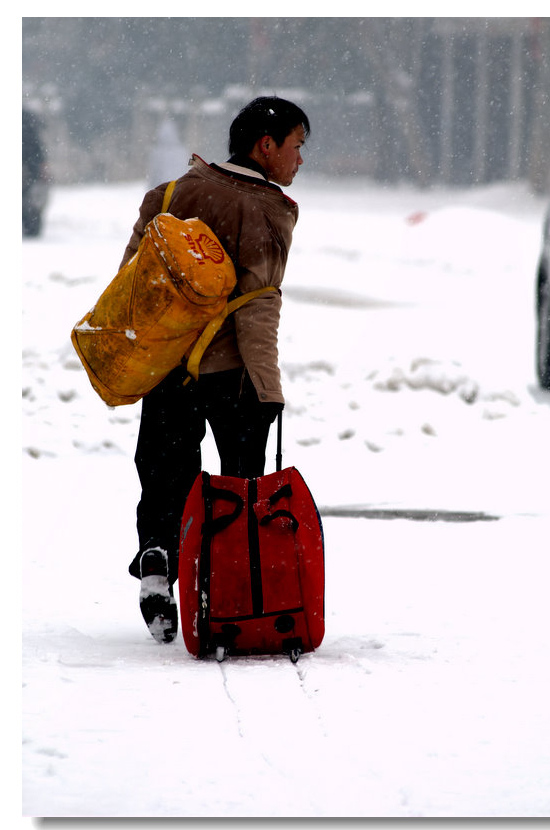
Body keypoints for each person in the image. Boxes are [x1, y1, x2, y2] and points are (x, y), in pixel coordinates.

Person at [121, 96, 310, 644]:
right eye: (296, 147)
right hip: (233, 377)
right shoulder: (271, 211)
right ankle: (228, 589)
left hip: (168, 367)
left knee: (164, 477)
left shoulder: (173, 193)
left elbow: (132, 281)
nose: (300, 161)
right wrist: (269, 390)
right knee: (239, 491)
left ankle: (157, 560)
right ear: (266, 146)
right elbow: (258, 308)